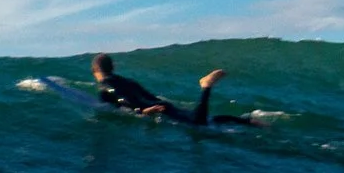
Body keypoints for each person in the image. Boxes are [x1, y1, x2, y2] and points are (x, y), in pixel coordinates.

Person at [89, 54, 241, 126]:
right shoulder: (128, 81)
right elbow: (148, 96)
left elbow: (121, 98)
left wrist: (141, 111)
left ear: (94, 70)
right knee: (206, 119)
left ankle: (206, 86)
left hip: (156, 110)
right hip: (162, 106)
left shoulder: (105, 87)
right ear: (113, 67)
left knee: (198, 122)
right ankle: (249, 121)